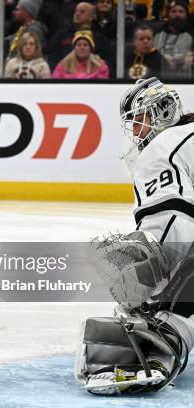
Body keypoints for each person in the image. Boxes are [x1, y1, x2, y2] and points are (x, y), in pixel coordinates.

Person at [77, 78, 194, 395]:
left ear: (163, 111)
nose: (138, 132)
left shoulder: (163, 146)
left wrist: (154, 292)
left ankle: (164, 341)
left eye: (140, 120)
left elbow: (175, 225)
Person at [153, 0, 193, 80]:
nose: (177, 14)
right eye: (173, 11)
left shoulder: (192, 35)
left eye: (181, 11)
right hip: (161, 79)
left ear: (186, 14)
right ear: (168, 15)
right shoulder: (159, 35)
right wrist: (164, 58)